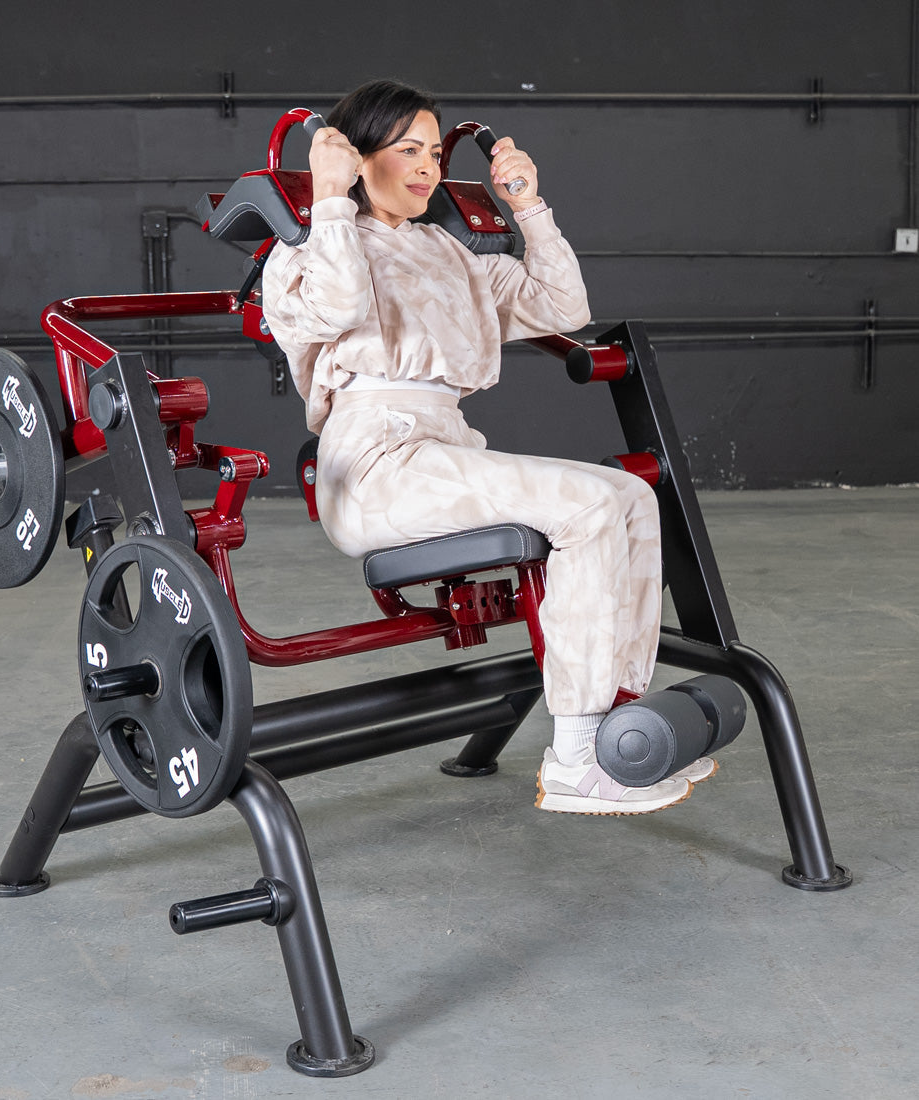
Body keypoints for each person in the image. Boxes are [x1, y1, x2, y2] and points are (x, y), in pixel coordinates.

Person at [262, 79, 715, 814]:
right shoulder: (303, 253)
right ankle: (575, 760)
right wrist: (330, 196)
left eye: (434, 152)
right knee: (591, 506)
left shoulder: (450, 253)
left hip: (445, 448)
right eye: (406, 148)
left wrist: (528, 206)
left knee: (631, 495)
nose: (427, 166)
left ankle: (612, 728)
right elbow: (340, 303)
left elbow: (565, 307)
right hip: (373, 464)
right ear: (354, 155)